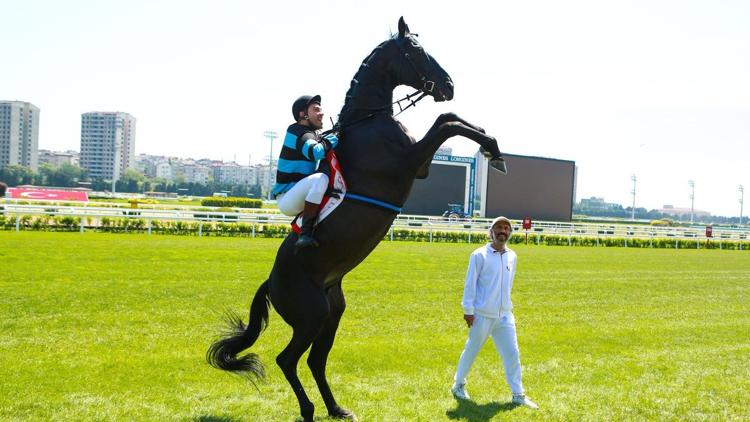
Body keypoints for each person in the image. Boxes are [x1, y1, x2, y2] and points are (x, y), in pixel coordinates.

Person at [450, 216, 539, 409]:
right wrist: (468, 310)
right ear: (491, 231)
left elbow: (508, 285)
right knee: (472, 350)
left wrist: (505, 307)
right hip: (481, 314)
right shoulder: (478, 255)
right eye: (499, 227)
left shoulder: (512, 256)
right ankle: (458, 385)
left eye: (506, 228)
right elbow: (470, 284)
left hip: (505, 315)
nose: (503, 231)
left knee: (512, 354)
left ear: (509, 233)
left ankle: (518, 394)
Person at [272, 95, 339, 250]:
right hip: (287, 198)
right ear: (303, 114)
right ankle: (305, 232)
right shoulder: (296, 131)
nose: (321, 113)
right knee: (320, 179)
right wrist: (335, 137)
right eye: (316, 109)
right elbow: (315, 152)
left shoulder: (313, 135)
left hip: (300, 195)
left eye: (321, 109)